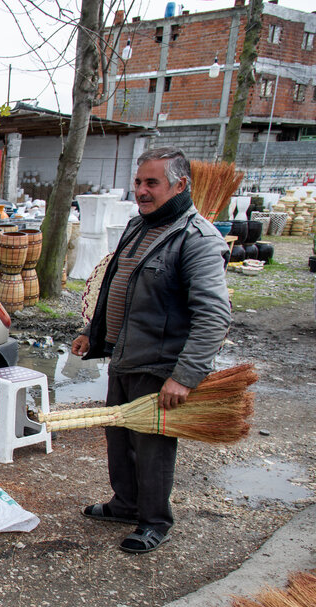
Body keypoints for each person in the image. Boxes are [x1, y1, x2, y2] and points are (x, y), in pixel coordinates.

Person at [71, 146, 231, 555]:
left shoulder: (197, 239)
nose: (141, 191)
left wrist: (185, 376)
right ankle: (125, 504)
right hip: (124, 355)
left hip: (160, 364)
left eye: (151, 183)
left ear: (180, 185)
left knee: (152, 446)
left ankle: (154, 520)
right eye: (139, 182)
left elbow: (213, 316)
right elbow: (115, 285)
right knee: (118, 435)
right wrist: (94, 330)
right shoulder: (137, 226)